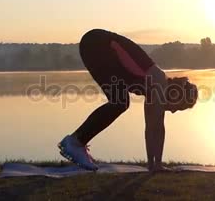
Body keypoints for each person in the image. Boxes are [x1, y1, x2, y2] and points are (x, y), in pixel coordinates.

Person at [58, 29, 198, 171]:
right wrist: (156, 166)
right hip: (97, 44)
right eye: (179, 107)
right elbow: (154, 128)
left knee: (120, 103)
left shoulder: (154, 89)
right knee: (120, 102)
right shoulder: (157, 80)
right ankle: (75, 142)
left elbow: (155, 127)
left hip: (96, 46)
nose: (174, 111)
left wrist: (154, 165)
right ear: (176, 95)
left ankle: (76, 142)